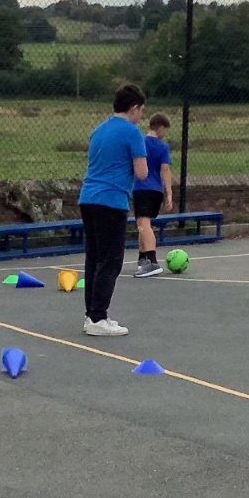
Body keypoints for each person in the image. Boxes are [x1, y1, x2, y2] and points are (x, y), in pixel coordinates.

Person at [78, 83, 149, 336]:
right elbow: (142, 173)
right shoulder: (132, 133)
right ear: (134, 108)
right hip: (111, 200)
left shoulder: (98, 130)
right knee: (111, 260)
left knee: (94, 258)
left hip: (88, 198)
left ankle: (92, 314)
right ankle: (98, 317)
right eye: (141, 110)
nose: (141, 115)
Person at [132, 112, 175, 278]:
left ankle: (151, 260)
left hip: (141, 188)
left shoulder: (140, 142)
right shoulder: (163, 147)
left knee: (144, 223)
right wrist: (168, 194)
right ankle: (143, 258)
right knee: (142, 224)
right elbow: (165, 170)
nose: (164, 134)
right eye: (165, 130)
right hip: (155, 190)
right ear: (161, 127)